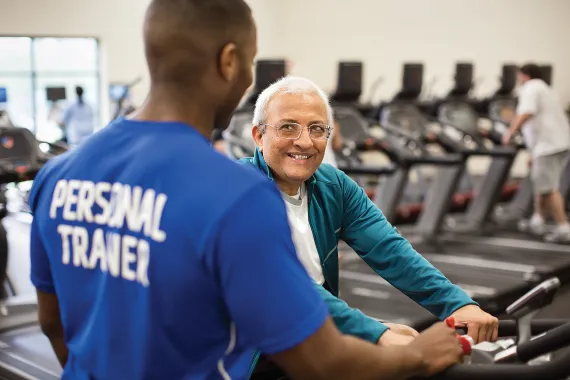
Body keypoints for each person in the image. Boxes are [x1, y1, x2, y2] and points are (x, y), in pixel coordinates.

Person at [29, 1, 465, 379]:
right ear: (230, 61)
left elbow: (53, 324)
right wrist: (419, 357)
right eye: (252, 62)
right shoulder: (233, 194)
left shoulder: (57, 174)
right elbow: (324, 364)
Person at [240, 75, 499, 377]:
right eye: (288, 127)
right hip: (247, 352)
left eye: (317, 129)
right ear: (259, 135)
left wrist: (455, 304)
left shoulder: (333, 185)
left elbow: (390, 250)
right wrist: (375, 333)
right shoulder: (238, 192)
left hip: (307, 337)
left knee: (410, 348)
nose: (305, 141)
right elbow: (283, 287)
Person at [502, 63, 570, 243]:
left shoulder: (531, 88)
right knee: (541, 181)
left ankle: (563, 227)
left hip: (548, 146)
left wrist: (510, 133)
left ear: (524, 76)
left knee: (549, 188)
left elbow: (526, 113)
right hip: (557, 144)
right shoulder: (545, 89)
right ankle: (537, 220)